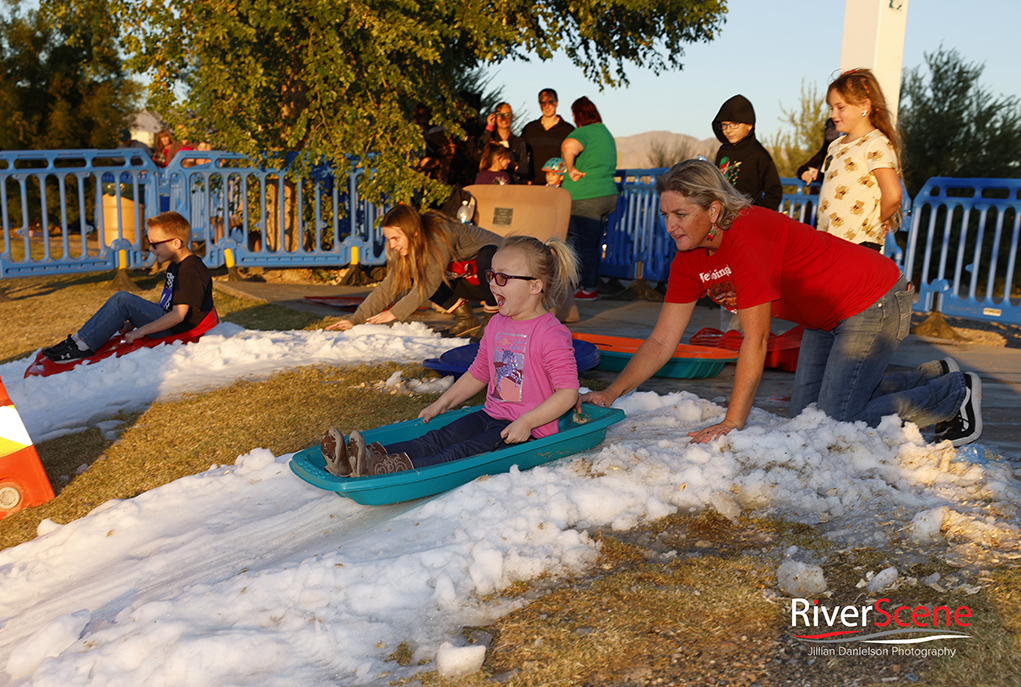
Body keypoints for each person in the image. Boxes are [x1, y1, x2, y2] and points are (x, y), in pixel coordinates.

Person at [580, 159, 983, 448]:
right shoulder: (688, 258)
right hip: (823, 317)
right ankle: (929, 377)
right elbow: (661, 341)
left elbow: (755, 340)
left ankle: (954, 393)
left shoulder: (747, 237)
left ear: (714, 209)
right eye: (666, 214)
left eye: (681, 214)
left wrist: (733, 421)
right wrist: (611, 393)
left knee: (835, 422)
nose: (671, 225)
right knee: (808, 417)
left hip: (871, 298)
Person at [320, 235, 581, 477]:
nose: (491, 284)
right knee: (437, 438)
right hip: (491, 415)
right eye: (490, 275)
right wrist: (442, 403)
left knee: (457, 453)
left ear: (535, 286)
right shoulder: (497, 325)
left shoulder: (550, 333)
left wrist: (527, 422)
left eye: (503, 278)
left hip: (528, 432)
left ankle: (380, 469)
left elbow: (567, 393)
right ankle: (360, 457)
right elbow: (479, 373)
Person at [42, 212, 214, 362]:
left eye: (155, 244)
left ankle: (82, 347)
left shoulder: (190, 271)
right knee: (124, 302)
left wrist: (142, 330)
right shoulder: (176, 266)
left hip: (176, 331)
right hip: (171, 325)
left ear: (176, 243)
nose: (151, 249)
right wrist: (135, 318)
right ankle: (78, 341)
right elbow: (167, 306)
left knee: (123, 300)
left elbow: (177, 316)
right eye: (149, 243)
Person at [325, 205, 502, 337]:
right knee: (417, 275)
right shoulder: (407, 250)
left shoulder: (438, 235)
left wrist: (394, 313)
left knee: (487, 255)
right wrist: (355, 320)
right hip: (470, 283)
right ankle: (466, 319)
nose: (392, 245)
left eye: (395, 238)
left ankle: (492, 321)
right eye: (389, 239)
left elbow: (429, 284)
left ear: (414, 233)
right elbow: (388, 287)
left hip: (501, 279)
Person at [817, 69, 902, 252]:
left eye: (840, 108)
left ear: (864, 105)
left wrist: (876, 219)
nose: (833, 114)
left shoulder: (875, 143)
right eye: (831, 108)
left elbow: (893, 194)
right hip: (829, 242)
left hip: (859, 244)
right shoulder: (835, 146)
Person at [561, 96, 619, 300]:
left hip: (585, 196)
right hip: (607, 194)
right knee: (592, 245)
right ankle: (589, 285)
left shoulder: (582, 132)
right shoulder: (604, 132)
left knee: (582, 245)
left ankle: (588, 288)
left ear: (578, 115)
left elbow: (568, 146)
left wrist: (571, 169)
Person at [712, 95, 783, 210]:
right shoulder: (723, 151)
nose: (728, 130)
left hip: (747, 216)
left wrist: (758, 214)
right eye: (724, 125)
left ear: (749, 125)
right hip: (723, 213)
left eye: (734, 124)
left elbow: (774, 191)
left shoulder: (759, 155)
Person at [521, 89, 575, 184]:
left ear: (557, 103)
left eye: (550, 102)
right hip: (534, 186)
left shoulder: (568, 130)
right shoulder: (529, 129)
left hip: (559, 187)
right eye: (543, 102)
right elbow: (522, 156)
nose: (546, 106)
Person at [477, 102, 530, 185]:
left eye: (507, 114)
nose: (504, 118)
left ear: (512, 117)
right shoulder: (490, 138)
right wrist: (488, 129)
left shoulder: (518, 141)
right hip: (490, 184)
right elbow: (477, 154)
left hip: (512, 185)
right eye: (500, 114)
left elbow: (526, 171)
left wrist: (514, 165)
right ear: (494, 116)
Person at [796, 118, 839, 186]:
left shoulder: (843, 153)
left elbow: (839, 175)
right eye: (827, 127)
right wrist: (805, 173)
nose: (829, 130)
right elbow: (803, 168)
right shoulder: (823, 153)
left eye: (833, 127)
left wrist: (819, 175)